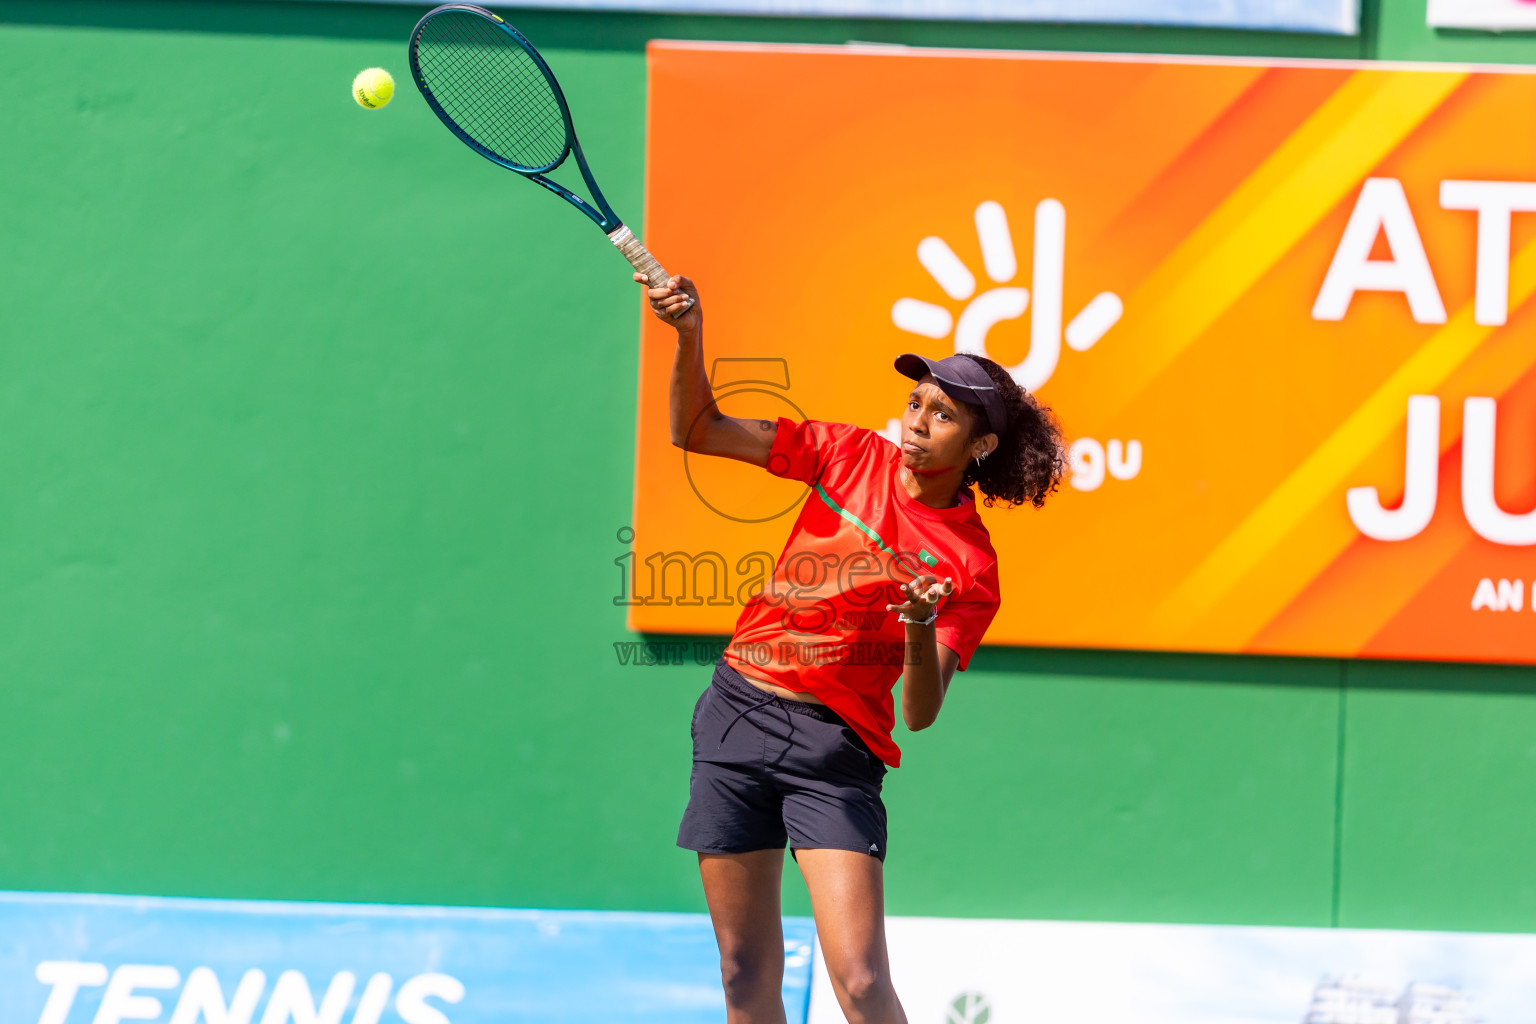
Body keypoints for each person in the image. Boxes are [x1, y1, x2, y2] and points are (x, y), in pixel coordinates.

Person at [638, 272, 1066, 1024]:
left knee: (862, 981)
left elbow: (921, 710)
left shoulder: (971, 565)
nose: (918, 423)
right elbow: (696, 429)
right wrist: (688, 333)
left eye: (943, 415)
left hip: (835, 756)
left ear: (981, 444)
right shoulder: (844, 454)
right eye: (915, 404)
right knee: (743, 974)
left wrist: (918, 623)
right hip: (739, 713)